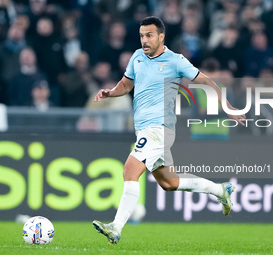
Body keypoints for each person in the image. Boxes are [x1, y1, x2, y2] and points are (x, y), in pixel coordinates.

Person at [92, 16, 246, 244]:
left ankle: (116, 227)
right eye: (142, 36)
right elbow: (126, 84)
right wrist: (111, 91)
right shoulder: (137, 57)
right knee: (169, 183)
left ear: (161, 36)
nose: (144, 40)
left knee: (129, 171)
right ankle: (220, 190)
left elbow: (206, 81)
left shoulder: (176, 60)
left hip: (159, 128)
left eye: (149, 35)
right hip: (144, 129)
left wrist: (227, 106)